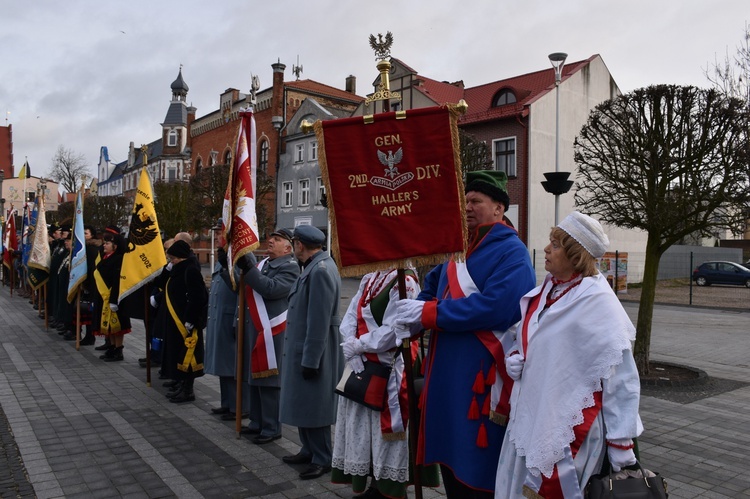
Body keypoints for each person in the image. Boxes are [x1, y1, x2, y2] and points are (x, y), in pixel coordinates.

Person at [393, 170, 536, 498]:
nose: (467, 207)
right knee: (449, 456)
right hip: (445, 373)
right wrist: (414, 316)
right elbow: (432, 288)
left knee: (476, 467)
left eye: (476, 201)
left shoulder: (512, 252)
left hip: (480, 376)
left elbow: (497, 307)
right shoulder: (457, 249)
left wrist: (429, 314)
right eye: (465, 201)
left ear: (499, 208)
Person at [494, 212, 642, 498]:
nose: (547, 249)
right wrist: (517, 358)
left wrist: (622, 445)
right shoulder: (546, 291)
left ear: (577, 254)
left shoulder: (598, 304)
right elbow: (531, 340)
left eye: (556, 244)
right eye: (550, 242)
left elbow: (621, 378)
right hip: (531, 416)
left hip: (569, 427)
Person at [331, 268, 422, 499]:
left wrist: (359, 345)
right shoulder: (370, 277)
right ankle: (374, 483)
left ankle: (390, 490)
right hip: (362, 363)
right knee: (365, 430)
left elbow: (395, 330)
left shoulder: (405, 280)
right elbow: (352, 312)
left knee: (386, 433)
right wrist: (350, 346)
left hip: (390, 368)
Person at [279, 225, 342, 480]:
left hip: (315, 350)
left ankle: (322, 458)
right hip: (304, 348)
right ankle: (308, 449)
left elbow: (319, 321)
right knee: (304, 403)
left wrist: (311, 360)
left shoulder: (321, 271)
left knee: (315, 406)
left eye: (294, 243)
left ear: (299, 245)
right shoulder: (314, 267)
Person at [235, 228, 300, 443]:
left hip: (274, 331)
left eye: (277, 239)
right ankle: (257, 422)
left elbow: (270, 289)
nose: (270, 241)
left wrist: (249, 269)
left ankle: (272, 427)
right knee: (254, 377)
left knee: (270, 380)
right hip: (257, 329)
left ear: (288, 248)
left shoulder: (290, 268)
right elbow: (244, 287)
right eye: (270, 237)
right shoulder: (265, 264)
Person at [160, 240, 209, 403]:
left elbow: (198, 297)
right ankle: (180, 384)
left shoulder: (191, 270)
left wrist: (190, 318)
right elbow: (161, 284)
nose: (171, 261)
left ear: (182, 257)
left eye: (173, 258)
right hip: (175, 320)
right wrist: (166, 270)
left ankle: (188, 390)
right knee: (177, 353)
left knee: (187, 355)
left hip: (186, 322)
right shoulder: (176, 269)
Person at [204, 245, 248, 418]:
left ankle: (239, 406)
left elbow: (240, 285)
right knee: (223, 362)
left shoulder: (243, 255)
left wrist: (227, 265)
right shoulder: (226, 256)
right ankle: (227, 403)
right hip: (219, 317)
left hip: (231, 318)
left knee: (232, 364)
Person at [94, 225, 131, 362]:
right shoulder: (105, 257)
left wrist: (114, 299)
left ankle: (118, 350)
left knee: (118, 326)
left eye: (108, 243)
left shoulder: (119, 259)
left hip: (115, 297)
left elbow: (117, 281)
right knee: (110, 325)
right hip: (105, 297)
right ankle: (112, 347)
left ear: (115, 246)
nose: (104, 245)